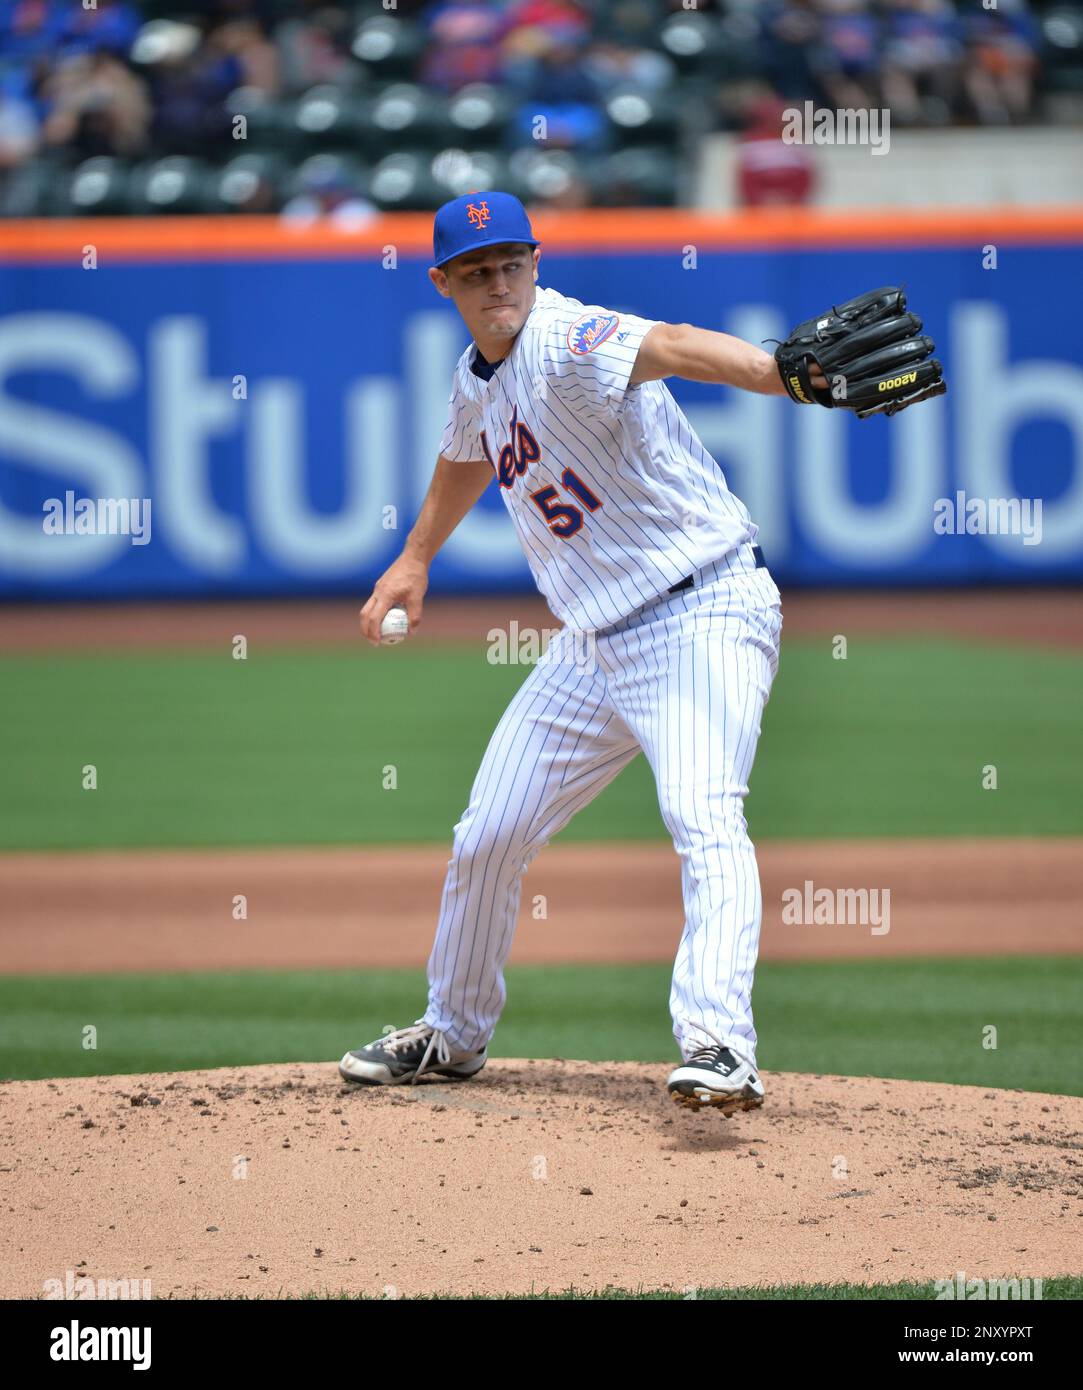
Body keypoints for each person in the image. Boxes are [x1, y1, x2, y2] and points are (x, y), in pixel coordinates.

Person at [339, 191, 827, 1114]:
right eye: (477, 271)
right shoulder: (478, 376)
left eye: (512, 262)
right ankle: (453, 1032)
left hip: (701, 609)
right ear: (442, 282)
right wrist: (412, 558)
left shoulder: (567, 337)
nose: (499, 283)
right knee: (488, 835)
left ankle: (720, 1044)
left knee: (701, 814)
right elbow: (468, 450)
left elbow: (675, 344)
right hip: (592, 639)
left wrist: (777, 372)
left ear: (534, 262)